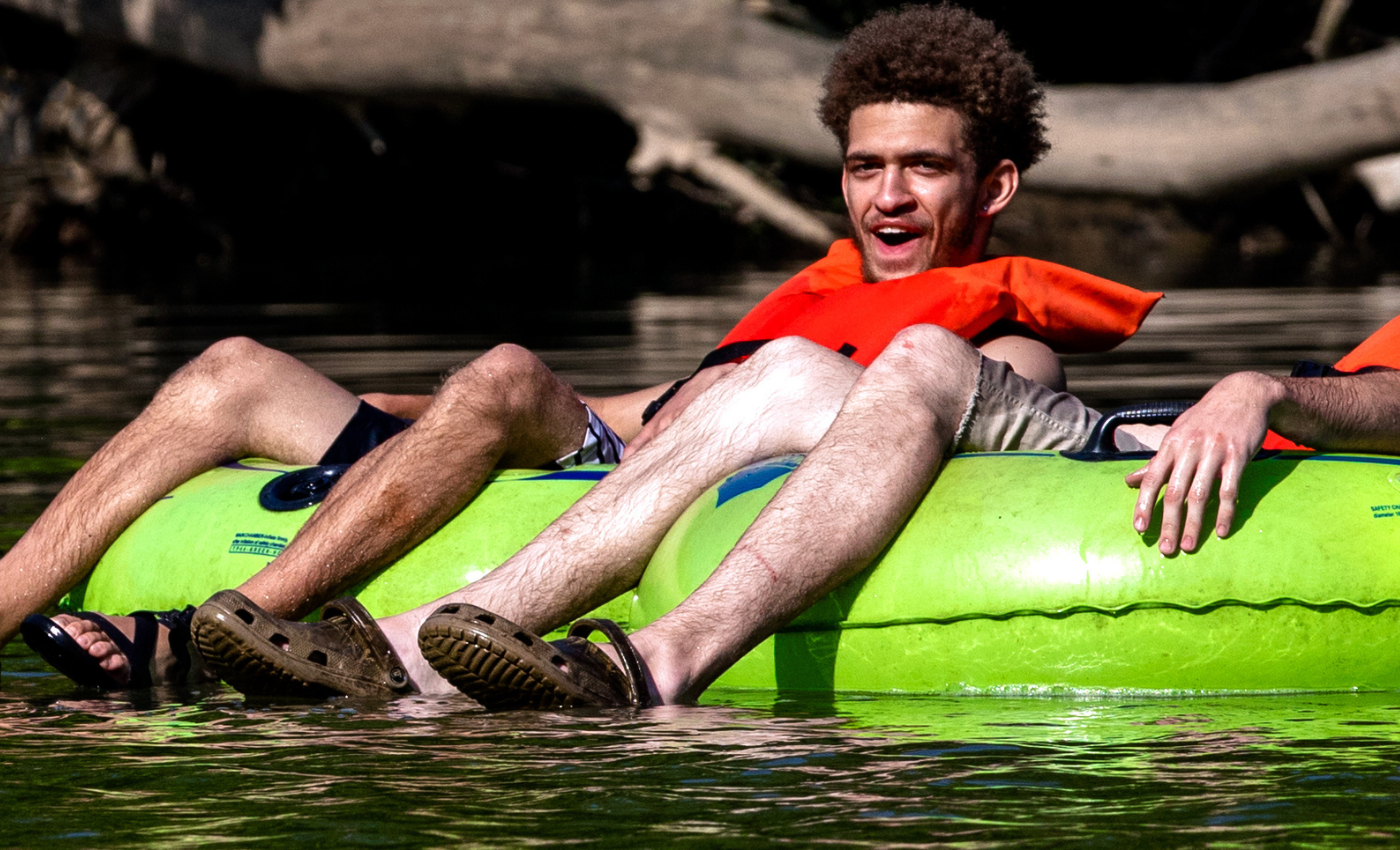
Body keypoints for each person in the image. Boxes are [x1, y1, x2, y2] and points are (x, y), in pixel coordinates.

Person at [187, 4, 1160, 705]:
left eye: (922, 167)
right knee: (707, 372)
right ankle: (375, 646)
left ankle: (411, 650)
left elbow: (985, 396)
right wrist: (424, 412)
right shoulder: (816, 309)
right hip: (744, 430)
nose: (887, 197)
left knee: (796, 371)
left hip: (965, 454)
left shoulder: (1006, 341)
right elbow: (675, 405)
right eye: (865, 168)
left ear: (991, 188)